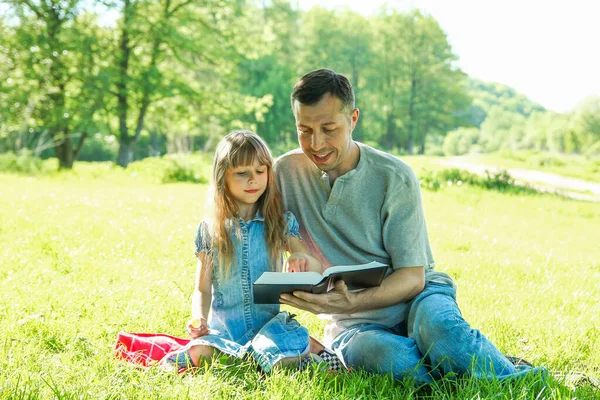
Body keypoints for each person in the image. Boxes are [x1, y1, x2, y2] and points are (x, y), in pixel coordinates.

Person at [274, 69, 543, 383]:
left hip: (419, 299)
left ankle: (521, 379)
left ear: (353, 119)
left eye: (328, 128)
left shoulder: (394, 176)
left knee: (440, 329)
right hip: (355, 325)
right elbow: (250, 225)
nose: (316, 143)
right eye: (304, 130)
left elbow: (413, 278)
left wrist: (352, 300)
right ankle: (461, 361)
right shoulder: (284, 173)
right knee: (394, 360)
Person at [163, 130, 341, 372]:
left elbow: (314, 266)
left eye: (260, 171)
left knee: (277, 352)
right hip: (225, 330)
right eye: (242, 173)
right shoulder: (211, 230)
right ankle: (276, 359)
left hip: (268, 329)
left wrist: (301, 257)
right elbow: (202, 289)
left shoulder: (279, 223)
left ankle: (291, 357)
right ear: (222, 177)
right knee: (201, 352)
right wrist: (199, 318)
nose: (253, 180)